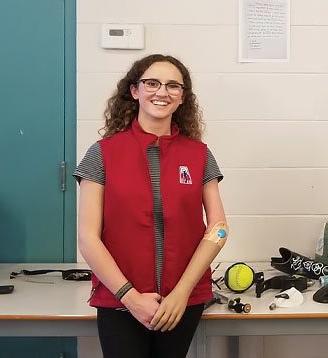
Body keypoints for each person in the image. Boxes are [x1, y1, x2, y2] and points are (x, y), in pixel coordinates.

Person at [74, 54, 228, 358]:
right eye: (152, 83)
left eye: (173, 85)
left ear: (182, 97)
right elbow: (87, 238)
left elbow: (219, 229)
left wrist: (181, 294)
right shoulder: (102, 154)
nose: (162, 91)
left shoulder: (199, 155)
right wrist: (130, 297)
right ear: (135, 90)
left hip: (182, 302)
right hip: (120, 300)